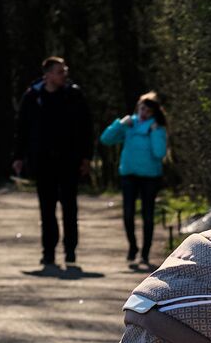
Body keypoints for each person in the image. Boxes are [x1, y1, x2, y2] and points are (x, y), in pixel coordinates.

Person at [13, 57, 93, 266]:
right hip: (43, 162)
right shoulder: (32, 97)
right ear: (47, 75)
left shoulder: (74, 95)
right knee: (47, 210)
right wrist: (19, 157)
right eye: (59, 71)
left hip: (69, 161)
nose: (64, 75)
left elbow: (86, 128)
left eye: (64, 71)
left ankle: (70, 250)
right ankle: (48, 251)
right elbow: (22, 128)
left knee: (70, 208)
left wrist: (86, 157)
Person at [100, 91, 168, 266]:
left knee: (148, 215)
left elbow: (159, 153)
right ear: (138, 107)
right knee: (128, 214)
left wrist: (153, 133)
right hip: (129, 174)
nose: (144, 112)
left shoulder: (158, 129)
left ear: (154, 112)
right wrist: (119, 124)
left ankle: (145, 253)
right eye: (142, 108)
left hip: (150, 177)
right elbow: (106, 140)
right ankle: (133, 246)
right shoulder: (129, 124)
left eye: (148, 110)